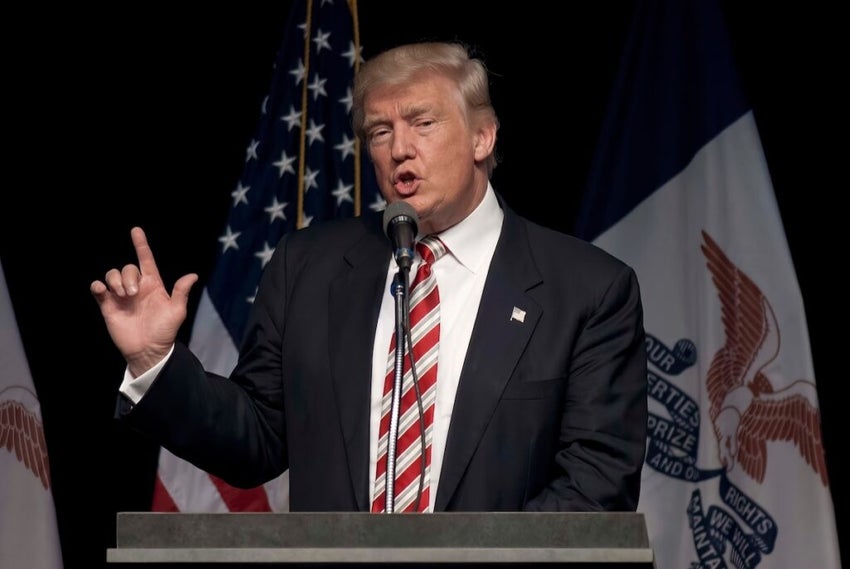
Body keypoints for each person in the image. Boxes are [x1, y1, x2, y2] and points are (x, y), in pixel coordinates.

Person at [91, 41, 648, 513]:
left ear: (483, 137)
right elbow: (257, 439)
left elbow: (594, 489)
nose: (400, 149)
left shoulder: (587, 290)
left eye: (423, 123)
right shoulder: (308, 267)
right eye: (380, 132)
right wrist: (153, 363)